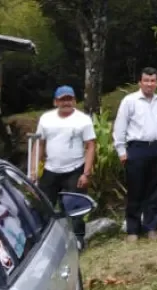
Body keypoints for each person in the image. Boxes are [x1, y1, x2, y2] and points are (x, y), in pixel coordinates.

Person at [32, 85, 96, 249]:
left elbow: (90, 146)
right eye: (62, 99)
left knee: (76, 208)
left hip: (75, 169)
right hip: (51, 169)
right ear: (55, 102)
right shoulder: (46, 119)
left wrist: (86, 173)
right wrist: (34, 170)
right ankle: (44, 242)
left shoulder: (83, 119)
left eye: (69, 99)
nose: (66, 102)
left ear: (74, 101)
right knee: (44, 206)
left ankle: (78, 240)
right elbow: (39, 144)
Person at [113, 67, 157, 241]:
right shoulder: (129, 101)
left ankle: (152, 227)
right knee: (135, 189)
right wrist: (121, 151)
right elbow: (120, 127)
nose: (149, 84)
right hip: (137, 149)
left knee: (156, 190)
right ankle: (133, 230)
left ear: (156, 83)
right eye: (146, 80)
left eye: (153, 81)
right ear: (140, 82)